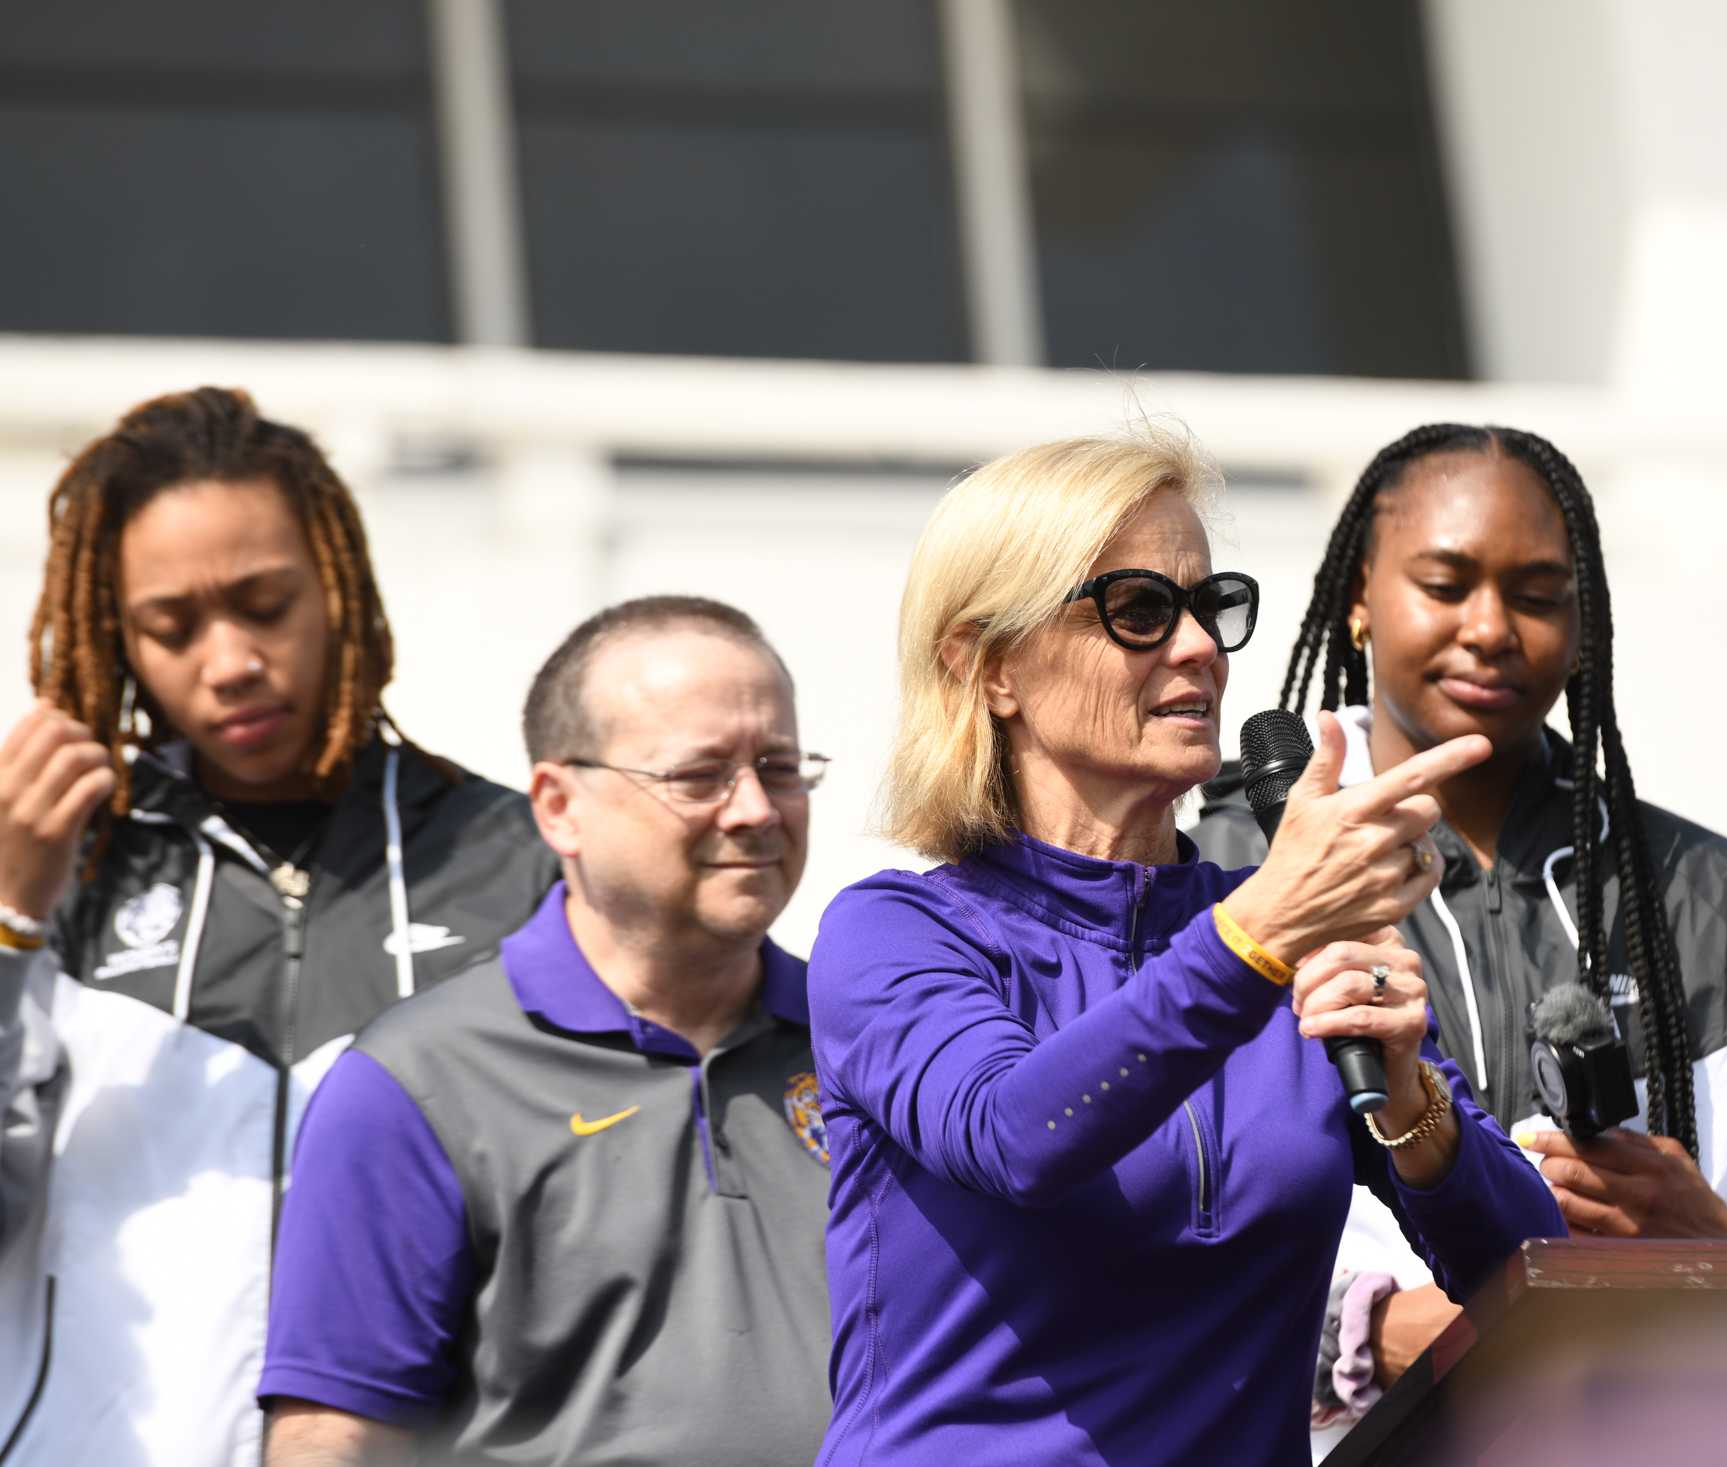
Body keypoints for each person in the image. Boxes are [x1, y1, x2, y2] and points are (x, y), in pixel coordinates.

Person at [807, 429, 1561, 1467]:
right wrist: (1259, 933)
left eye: (1210, 606)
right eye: (1140, 611)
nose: (1201, 648)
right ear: (987, 669)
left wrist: (1408, 1103)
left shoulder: (1276, 929)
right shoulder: (896, 931)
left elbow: (1531, 1275)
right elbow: (1020, 1135)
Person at [1192, 424, 1727, 1441]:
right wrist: (1359, 1332)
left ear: (1584, 628)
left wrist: (1715, 1244)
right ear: (1359, 598)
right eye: (1446, 585)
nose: (1491, 627)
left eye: (1538, 595)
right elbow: (1158, 1233)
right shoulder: (1221, 872)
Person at [0, 387, 557, 1465]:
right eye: (171, 627)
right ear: (118, 641)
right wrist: (10, 918)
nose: (228, 661)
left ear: (339, 591)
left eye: (263, 604)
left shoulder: (513, 860)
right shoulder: (59, 864)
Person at [259, 597, 834, 1465]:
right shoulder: (420, 1081)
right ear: (559, 804)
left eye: (779, 766)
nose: (754, 808)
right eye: (699, 774)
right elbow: (334, 1434)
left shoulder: (871, 1049)